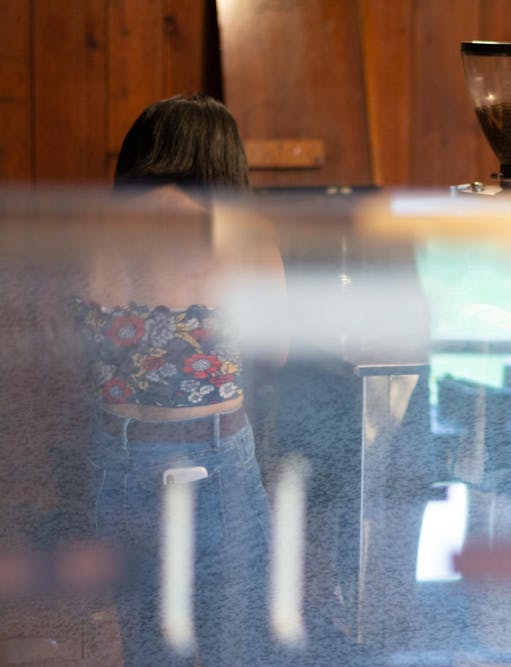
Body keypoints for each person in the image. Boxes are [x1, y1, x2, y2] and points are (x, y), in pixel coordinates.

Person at [71, 94, 286, 666]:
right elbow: (276, 355)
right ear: (224, 159)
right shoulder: (243, 237)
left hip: (116, 464)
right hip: (213, 459)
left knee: (146, 640)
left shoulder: (89, 234)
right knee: (231, 641)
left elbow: (69, 351)